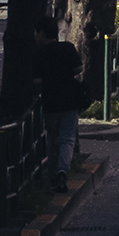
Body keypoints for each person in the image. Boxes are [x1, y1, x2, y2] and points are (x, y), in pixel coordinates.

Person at [38, 39, 89, 192]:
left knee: (53, 140)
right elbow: (79, 67)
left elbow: (36, 79)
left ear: (42, 33)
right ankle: (63, 170)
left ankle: (53, 178)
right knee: (68, 138)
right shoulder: (67, 47)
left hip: (50, 102)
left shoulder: (41, 53)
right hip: (70, 99)